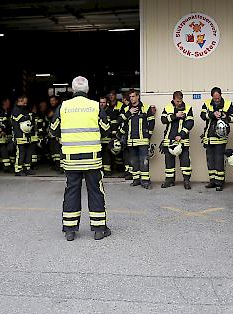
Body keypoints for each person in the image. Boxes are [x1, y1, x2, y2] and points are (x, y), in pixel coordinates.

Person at [50, 76, 111, 241]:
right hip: (92, 158)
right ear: (88, 90)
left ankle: (70, 230)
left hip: (71, 159)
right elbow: (106, 129)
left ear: (72, 89)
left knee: (72, 191)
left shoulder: (63, 107)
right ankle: (99, 229)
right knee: (95, 191)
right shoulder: (95, 106)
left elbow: (53, 129)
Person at [200, 87, 233, 191]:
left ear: (221, 95)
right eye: (215, 98)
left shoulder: (227, 104)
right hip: (209, 138)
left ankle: (219, 182)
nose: (217, 100)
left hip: (220, 138)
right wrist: (212, 114)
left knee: (219, 160)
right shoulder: (207, 103)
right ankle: (212, 181)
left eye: (218, 98)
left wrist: (224, 116)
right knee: (210, 161)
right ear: (212, 96)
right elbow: (202, 115)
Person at [119, 90, 156, 189]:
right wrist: (128, 113)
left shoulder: (146, 108)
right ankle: (136, 180)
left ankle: (145, 181)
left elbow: (151, 122)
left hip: (143, 140)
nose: (131, 98)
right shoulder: (126, 108)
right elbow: (120, 120)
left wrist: (148, 136)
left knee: (144, 161)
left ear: (138, 97)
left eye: (133, 96)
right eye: (130, 97)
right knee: (133, 161)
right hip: (131, 141)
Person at [160, 91, 194, 189]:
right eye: (177, 101)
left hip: (182, 141)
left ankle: (186, 181)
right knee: (169, 162)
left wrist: (181, 135)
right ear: (173, 99)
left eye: (181, 101)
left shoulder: (188, 108)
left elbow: (190, 123)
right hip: (169, 140)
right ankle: (169, 180)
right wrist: (176, 116)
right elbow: (163, 120)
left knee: (185, 162)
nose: (179, 102)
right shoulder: (167, 108)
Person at [11, 95, 36, 176]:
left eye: (26, 103)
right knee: (21, 153)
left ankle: (27, 168)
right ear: (19, 101)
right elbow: (23, 119)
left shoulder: (24, 109)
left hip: (27, 136)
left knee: (28, 152)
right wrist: (29, 116)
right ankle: (18, 170)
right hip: (19, 136)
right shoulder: (15, 110)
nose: (25, 104)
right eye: (24, 102)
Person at [106, 90, 125, 174]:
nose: (111, 96)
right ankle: (111, 168)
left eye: (112, 95)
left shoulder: (121, 105)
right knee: (109, 151)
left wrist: (120, 131)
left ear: (115, 96)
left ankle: (119, 169)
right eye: (110, 95)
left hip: (118, 132)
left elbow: (122, 118)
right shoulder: (106, 106)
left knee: (119, 152)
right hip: (109, 132)